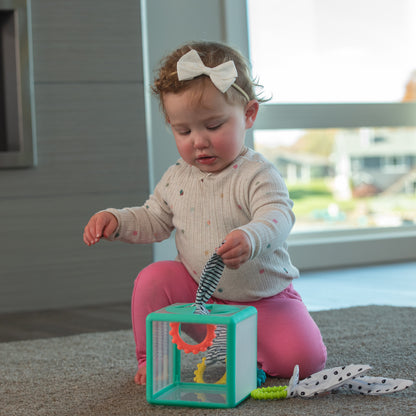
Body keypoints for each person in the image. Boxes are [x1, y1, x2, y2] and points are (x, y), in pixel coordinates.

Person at [83, 41, 327, 385]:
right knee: (154, 278)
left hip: (263, 300)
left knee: (305, 361)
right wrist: (117, 221)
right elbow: (154, 220)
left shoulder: (257, 173)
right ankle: (150, 357)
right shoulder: (176, 177)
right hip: (202, 300)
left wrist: (251, 237)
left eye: (213, 126)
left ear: (249, 115)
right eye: (183, 131)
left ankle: (242, 347)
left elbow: (278, 215)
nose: (198, 141)